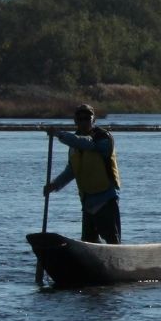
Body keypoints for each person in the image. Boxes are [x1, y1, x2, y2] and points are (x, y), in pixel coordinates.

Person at [44, 103, 121, 244]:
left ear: (94, 120)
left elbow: (85, 143)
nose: (84, 121)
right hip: (87, 202)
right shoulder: (74, 144)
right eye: (80, 119)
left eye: (87, 118)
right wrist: (54, 185)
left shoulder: (103, 138)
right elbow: (71, 171)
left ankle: (116, 263)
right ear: (75, 121)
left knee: (112, 241)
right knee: (88, 241)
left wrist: (59, 134)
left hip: (106, 200)